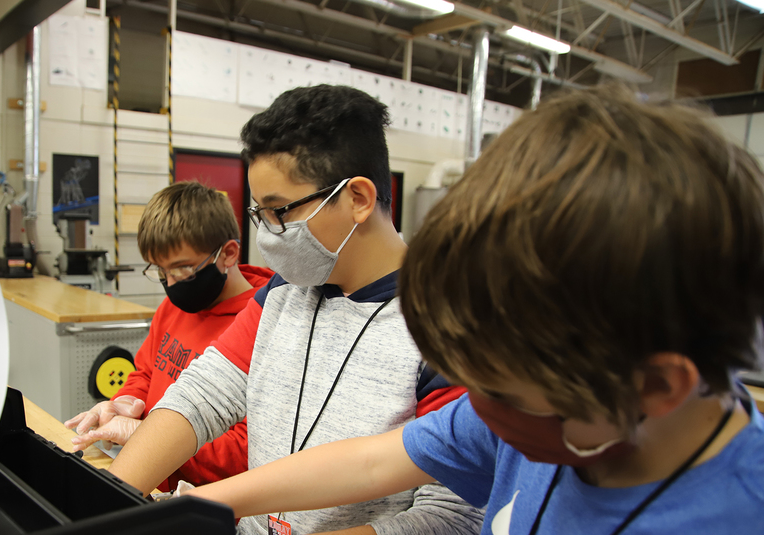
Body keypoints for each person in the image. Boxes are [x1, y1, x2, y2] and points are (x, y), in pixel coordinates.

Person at [185, 86, 764, 534]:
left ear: (655, 385)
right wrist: (204, 506)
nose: (476, 408)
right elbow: (368, 465)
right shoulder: (544, 414)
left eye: (501, 392)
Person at [108, 84, 485, 535]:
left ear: (358, 199)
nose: (268, 233)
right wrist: (109, 503)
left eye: (279, 212)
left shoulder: (448, 327)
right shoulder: (285, 291)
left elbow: (451, 517)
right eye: (259, 214)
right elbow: (203, 395)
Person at [64, 181, 273, 493]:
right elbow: (146, 372)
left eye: (182, 269)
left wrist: (148, 438)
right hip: (149, 480)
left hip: (210, 500)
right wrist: (123, 404)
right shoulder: (172, 307)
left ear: (228, 253)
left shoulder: (263, 324)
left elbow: (246, 449)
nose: (172, 284)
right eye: (161, 272)